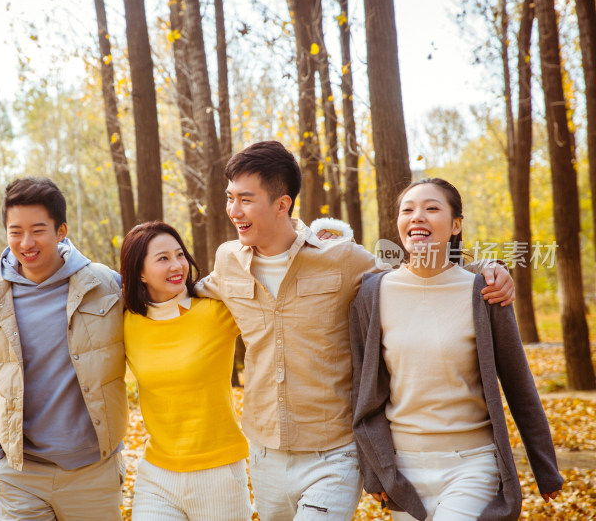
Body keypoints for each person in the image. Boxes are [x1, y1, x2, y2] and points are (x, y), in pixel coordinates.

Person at [194, 141, 516, 520]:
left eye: (245, 200)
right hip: (265, 453)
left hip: (335, 452)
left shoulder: (343, 258)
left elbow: (418, 270)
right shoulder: (228, 260)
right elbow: (186, 290)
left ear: (282, 204)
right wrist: (127, 284)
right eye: (230, 198)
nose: (233, 210)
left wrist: (487, 269)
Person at [350, 178, 563, 520]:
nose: (417, 216)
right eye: (408, 210)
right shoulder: (371, 294)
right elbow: (364, 390)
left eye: (431, 208)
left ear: (455, 225)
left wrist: (545, 467)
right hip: (402, 471)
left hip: (472, 466)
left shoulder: (485, 292)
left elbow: (519, 385)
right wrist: (376, 469)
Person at [0, 177, 127, 521]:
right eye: (15, 231)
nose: (26, 242)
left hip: (93, 471)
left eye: (38, 230)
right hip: (20, 474)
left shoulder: (104, 285)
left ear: (61, 231)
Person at [120, 221, 253, 520]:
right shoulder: (126, 323)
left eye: (179, 254)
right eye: (163, 258)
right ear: (139, 272)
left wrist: (321, 242)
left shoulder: (216, 313)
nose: (177, 264)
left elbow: (265, 284)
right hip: (157, 474)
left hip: (218, 474)